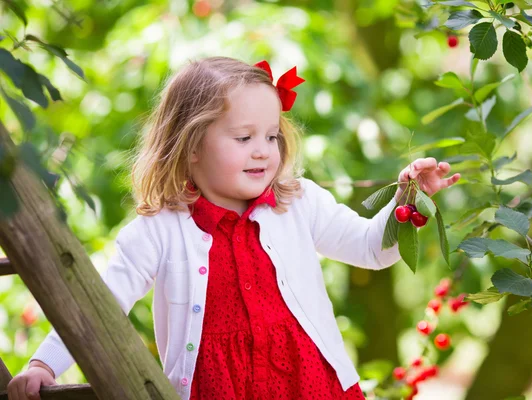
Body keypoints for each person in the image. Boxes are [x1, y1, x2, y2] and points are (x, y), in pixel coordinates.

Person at [7, 56, 460, 400]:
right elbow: (98, 300)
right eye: (244, 138)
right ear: (191, 146)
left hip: (309, 384)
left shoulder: (298, 202)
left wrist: (408, 198)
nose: (263, 151)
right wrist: (45, 363)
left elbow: (369, 249)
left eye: (271, 136)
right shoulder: (160, 229)